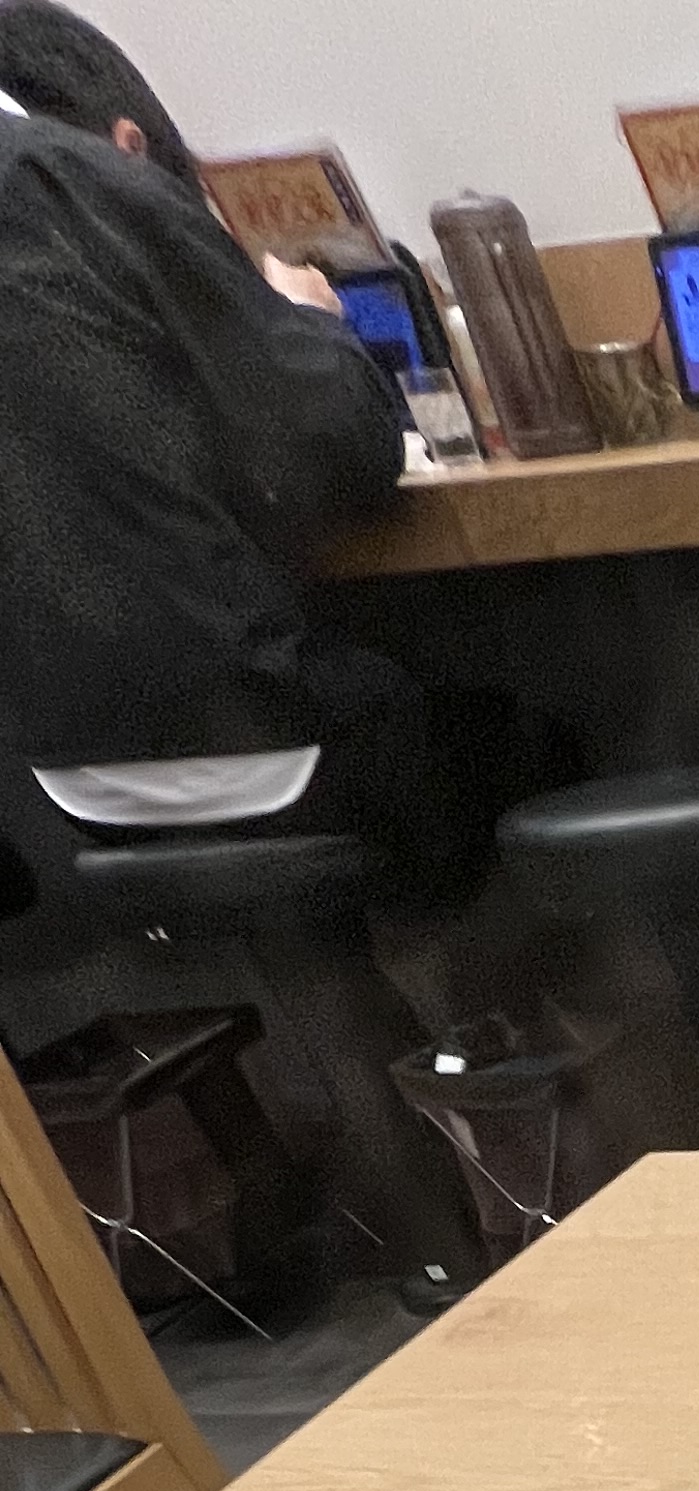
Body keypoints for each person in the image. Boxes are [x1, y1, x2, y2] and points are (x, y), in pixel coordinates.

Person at [0, 5, 530, 902]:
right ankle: (499, 980)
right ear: (132, 149)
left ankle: (359, 995)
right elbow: (345, 454)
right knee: (532, 734)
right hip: (269, 745)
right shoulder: (73, 179)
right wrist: (306, 323)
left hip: (62, 790)